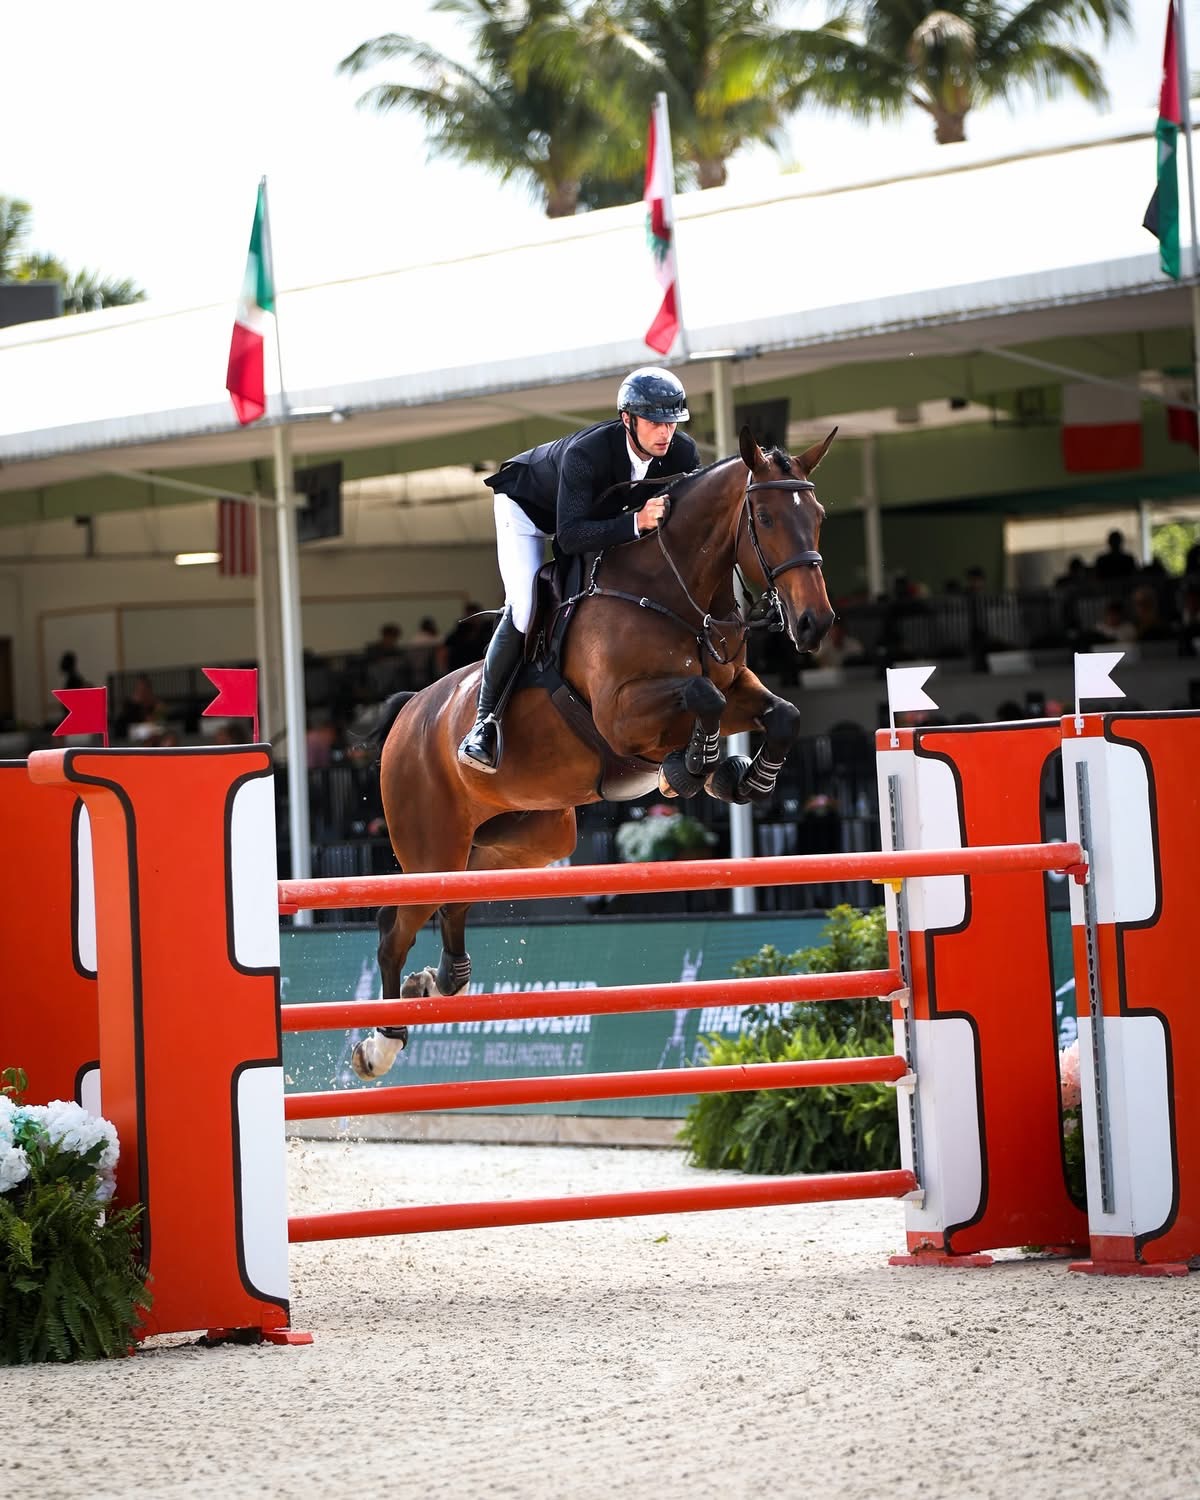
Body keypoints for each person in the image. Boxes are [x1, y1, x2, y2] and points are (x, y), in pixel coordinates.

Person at [458, 366, 700, 772]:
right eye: (655, 423)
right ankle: (484, 724)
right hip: (530, 514)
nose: (665, 433)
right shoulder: (587, 453)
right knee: (525, 605)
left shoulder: (681, 453)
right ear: (628, 419)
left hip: (594, 518)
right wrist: (636, 523)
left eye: (671, 423)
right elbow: (569, 538)